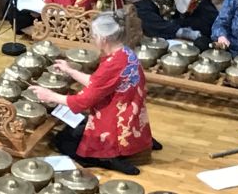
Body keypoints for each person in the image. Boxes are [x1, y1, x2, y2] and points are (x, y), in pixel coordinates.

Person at [29, 13, 154, 175]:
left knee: (63, 143)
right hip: (131, 112)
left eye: (94, 36)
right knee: (74, 129)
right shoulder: (126, 53)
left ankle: (108, 158)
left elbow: (84, 100)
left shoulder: (112, 64)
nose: (93, 39)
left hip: (115, 120)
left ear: (103, 39)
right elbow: (100, 83)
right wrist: (70, 71)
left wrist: (50, 96)